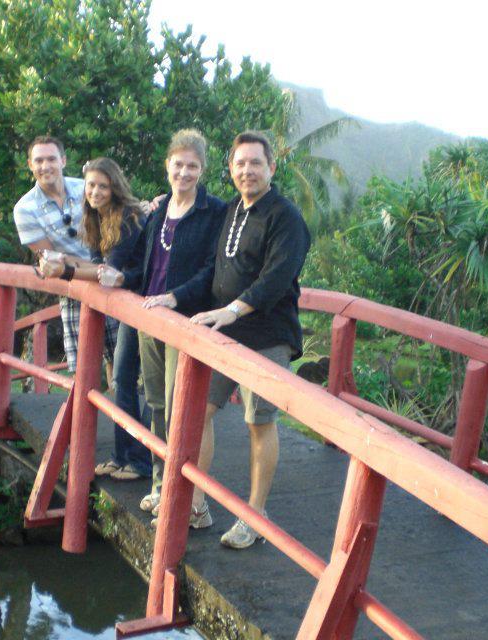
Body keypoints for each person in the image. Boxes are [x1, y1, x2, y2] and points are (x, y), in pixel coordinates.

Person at [99, 129, 227, 528]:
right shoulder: (157, 212)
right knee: (155, 403)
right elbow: (144, 264)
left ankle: (182, 496)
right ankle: (159, 484)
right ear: (167, 165)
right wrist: (122, 279)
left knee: (178, 411)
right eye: (178, 164)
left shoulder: (214, 212)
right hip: (147, 319)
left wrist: (177, 296)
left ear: (202, 170)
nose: (184, 172)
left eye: (192, 166)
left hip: (182, 323)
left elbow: (213, 270)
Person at [190, 130, 311, 549]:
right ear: (230, 169)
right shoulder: (231, 212)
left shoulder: (285, 217)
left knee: (258, 421)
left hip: (266, 336)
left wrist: (232, 309)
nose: (247, 170)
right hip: (225, 335)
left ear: (271, 167)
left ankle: (255, 515)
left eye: (255, 163)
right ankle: (197, 503)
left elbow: (275, 279)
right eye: (240, 164)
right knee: (199, 411)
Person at [37, 157, 152, 481]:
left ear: (114, 187)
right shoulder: (97, 216)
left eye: (103, 185)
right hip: (127, 301)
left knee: (136, 383)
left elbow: (108, 271)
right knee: (122, 381)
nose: (96, 191)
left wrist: (66, 270)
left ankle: (139, 461)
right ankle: (120, 457)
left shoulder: (129, 216)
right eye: (91, 185)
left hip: (142, 301)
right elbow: (100, 265)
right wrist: (64, 263)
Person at [12, 136, 94, 375]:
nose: (45, 166)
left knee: (119, 359)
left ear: (63, 161)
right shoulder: (25, 209)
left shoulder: (86, 188)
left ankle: (115, 410)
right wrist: (99, 271)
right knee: (84, 368)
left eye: (51, 159)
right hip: (75, 284)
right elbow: (54, 258)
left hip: (112, 282)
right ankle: (83, 412)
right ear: (29, 164)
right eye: (38, 160)